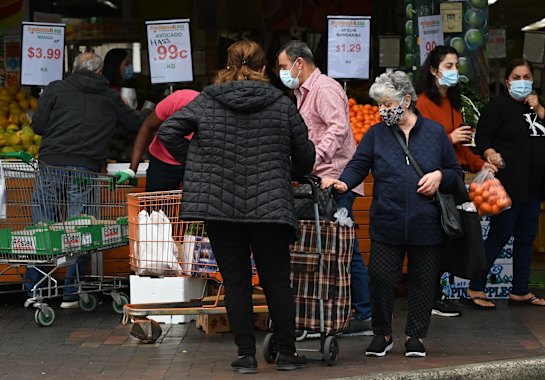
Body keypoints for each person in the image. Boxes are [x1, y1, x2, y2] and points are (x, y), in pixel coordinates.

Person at [157, 40, 315, 373]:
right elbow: (305, 154)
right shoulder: (281, 103)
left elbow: (168, 130)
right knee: (276, 280)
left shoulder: (207, 101)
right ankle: (286, 352)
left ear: (228, 65)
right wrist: (294, 172)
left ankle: (245, 355)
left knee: (236, 281)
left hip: (220, 207)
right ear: (262, 68)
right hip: (270, 206)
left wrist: (199, 164)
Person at [322, 71, 463, 358]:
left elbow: (455, 174)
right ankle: (382, 334)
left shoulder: (435, 133)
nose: (382, 110)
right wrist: (344, 182)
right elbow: (358, 164)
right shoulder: (376, 134)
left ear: (406, 101)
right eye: (380, 105)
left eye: (387, 104)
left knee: (423, 282)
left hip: (427, 222)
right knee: (381, 278)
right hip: (388, 220)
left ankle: (415, 336)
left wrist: (438, 175)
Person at [24, 52, 145, 309]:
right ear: (99, 71)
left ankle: (36, 288)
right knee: (81, 230)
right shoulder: (110, 96)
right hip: (85, 168)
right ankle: (71, 291)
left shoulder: (56, 89)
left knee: (41, 226)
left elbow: (38, 126)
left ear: (74, 68)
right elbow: (136, 125)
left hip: (51, 165)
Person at [276, 40, 372, 334]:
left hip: (335, 181)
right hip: (320, 181)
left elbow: (339, 128)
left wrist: (314, 158)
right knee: (331, 248)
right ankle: (342, 311)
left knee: (345, 249)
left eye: (283, 66)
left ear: (299, 63)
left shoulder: (325, 88)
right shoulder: (302, 93)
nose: (282, 72)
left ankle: (364, 314)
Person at [468, 58, 545, 307]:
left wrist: (541, 109)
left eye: (527, 77)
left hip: (534, 187)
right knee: (500, 236)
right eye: (517, 77)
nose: (522, 82)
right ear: (507, 81)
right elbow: (483, 137)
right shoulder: (498, 107)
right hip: (509, 185)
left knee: (525, 238)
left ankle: (520, 290)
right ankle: (476, 287)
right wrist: (489, 153)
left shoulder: (535, 108)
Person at [416, 45, 498, 313]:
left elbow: (462, 147)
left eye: (456, 66)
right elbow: (420, 147)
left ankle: (436, 295)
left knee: (453, 237)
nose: (454, 71)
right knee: (439, 238)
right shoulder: (422, 104)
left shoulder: (454, 103)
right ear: (433, 70)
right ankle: (431, 297)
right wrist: (448, 139)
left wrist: (479, 163)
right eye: (448, 66)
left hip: (454, 180)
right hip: (434, 184)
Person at [114, 89, 200, 191]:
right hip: (162, 162)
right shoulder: (178, 99)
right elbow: (147, 127)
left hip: (195, 163)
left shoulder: (217, 113)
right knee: (156, 205)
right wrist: (132, 170)